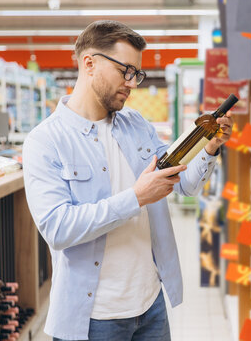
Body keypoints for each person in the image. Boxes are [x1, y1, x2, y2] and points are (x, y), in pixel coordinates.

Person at [22, 20, 233, 341]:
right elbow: (58, 229)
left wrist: (210, 147)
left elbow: (185, 184)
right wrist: (135, 197)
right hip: (93, 318)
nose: (132, 83)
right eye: (126, 71)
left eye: (138, 74)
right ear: (89, 63)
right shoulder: (45, 141)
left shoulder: (135, 124)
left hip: (150, 305)